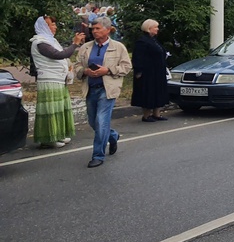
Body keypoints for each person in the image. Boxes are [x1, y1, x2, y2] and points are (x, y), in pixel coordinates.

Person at [74, 16, 132, 168]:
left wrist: (108, 70)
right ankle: (113, 136)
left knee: (101, 121)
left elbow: (126, 67)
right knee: (94, 122)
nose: (94, 31)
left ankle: (98, 155)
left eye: (97, 28)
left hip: (107, 90)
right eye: (92, 29)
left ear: (107, 30)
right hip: (90, 89)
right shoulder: (85, 47)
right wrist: (85, 71)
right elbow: (77, 66)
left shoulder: (118, 47)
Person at [30, 16, 84, 148]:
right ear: (44, 27)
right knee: (50, 110)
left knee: (59, 108)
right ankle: (48, 138)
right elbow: (59, 55)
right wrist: (75, 43)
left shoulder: (50, 40)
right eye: (52, 24)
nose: (55, 27)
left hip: (58, 79)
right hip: (49, 80)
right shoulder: (39, 42)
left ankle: (58, 134)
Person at [131, 19, 170, 122]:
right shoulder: (142, 41)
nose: (158, 29)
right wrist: (138, 71)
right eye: (155, 27)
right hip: (148, 72)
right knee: (148, 92)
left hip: (158, 72)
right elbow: (138, 57)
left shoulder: (154, 40)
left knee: (158, 91)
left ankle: (157, 113)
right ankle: (146, 115)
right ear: (149, 28)